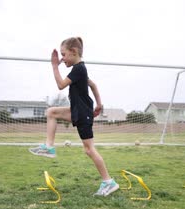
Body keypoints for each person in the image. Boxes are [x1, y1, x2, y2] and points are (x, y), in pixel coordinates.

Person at [29, 37, 119, 196]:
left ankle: (108, 182)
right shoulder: (80, 69)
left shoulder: (78, 69)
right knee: (51, 112)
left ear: (74, 52)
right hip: (78, 110)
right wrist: (99, 104)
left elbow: (61, 85)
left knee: (89, 150)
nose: (62, 59)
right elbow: (93, 85)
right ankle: (49, 147)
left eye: (64, 55)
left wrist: (54, 66)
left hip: (83, 113)